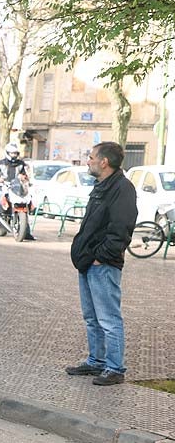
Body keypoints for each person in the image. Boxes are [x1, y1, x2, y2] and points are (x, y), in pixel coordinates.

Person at [65, 142, 137, 386]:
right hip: (88, 262)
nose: (88, 161)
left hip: (102, 264)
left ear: (104, 162)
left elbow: (121, 229)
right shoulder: (102, 185)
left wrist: (101, 256)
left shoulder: (122, 188)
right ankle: (96, 361)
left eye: (91, 157)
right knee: (91, 317)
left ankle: (115, 368)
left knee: (109, 319)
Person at [0, 172, 32, 239]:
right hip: (3, 188)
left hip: (16, 189)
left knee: (26, 204)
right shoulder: (1, 163)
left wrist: (26, 178)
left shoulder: (21, 165)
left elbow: (26, 175)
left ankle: (27, 233)